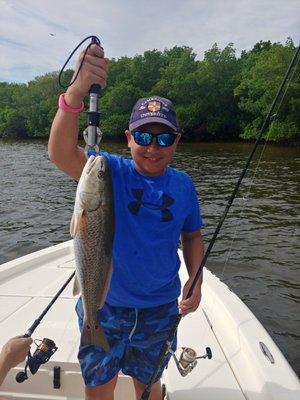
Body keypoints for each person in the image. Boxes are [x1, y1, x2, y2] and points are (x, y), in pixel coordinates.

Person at [48, 44, 204, 400]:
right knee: (99, 385)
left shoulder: (183, 185)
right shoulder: (109, 170)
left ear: (176, 140)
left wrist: (196, 280)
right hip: (105, 306)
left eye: (164, 136)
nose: (153, 146)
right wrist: (75, 92)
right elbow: (59, 153)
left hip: (160, 310)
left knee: (148, 383)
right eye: (144, 136)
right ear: (129, 138)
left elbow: (192, 236)